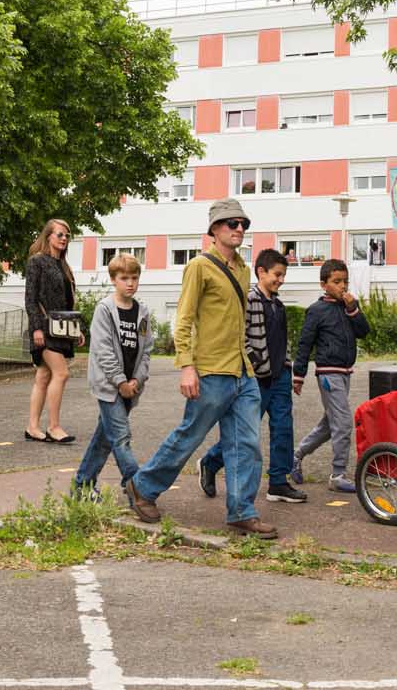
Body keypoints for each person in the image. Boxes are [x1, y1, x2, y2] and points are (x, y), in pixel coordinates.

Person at [126, 198, 276, 539]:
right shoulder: (198, 267)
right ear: (214, 229)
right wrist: (187, 366)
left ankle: (241, 511)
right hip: (210, 370)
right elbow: (185, 319)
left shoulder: (242, 269)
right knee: (190, 435)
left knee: (247, 444)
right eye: (231, 224)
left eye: (243, 225)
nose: (239, 229)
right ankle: (142, 486)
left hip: (242, 370)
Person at [198, 248, 306, 504]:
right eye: (277, 275)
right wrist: (254, 364)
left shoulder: (278, 305)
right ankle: (211, 462)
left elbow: (282, 341)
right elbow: (240, 336)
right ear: (261, 272)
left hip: (280, 377)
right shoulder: (248, 299)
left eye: (283, 275)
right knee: (245, 435)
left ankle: (278, 482)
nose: (281, 279)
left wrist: (288, 367)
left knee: (283, 429)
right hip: (256, 378)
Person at [72, 254, 154, 498]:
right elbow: (102, 349)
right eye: (124, 278)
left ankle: (82, 485)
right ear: (113, 280)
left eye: (134, 278)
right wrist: (119, 381)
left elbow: (147, 350)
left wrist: (136, 381)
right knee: (121, 437)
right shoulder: (105, 310)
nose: (130, 283)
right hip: (109, 386)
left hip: (131, 387)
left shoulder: (142, 312)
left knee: (104, 439)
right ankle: (136, 489)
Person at [289, 259, 371, 494]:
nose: (342, 286)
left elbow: (364, 332)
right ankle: (338, 474)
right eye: (336, 282)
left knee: (330, 424)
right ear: (324, 284)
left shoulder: (348, 307)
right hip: (328, 374)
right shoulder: (316, 310)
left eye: (344, 281)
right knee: (344, 423)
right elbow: (305, 343)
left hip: (344, 373)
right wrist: (299, 375)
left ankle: (296, 455)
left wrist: (353, 309)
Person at [24, 218, 84, 443]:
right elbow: (31, 298)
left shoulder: (64, 267)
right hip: (45, 329)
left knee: (43, 375)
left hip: (62, 329)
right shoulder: (37, 261)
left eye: (67, 235)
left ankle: (32, 427)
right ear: (48, 236)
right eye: (59, 234)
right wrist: (36, 329)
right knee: (62, 373)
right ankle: (54, 427)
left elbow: (68, 304)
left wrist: (77, 330)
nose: (64, 238)